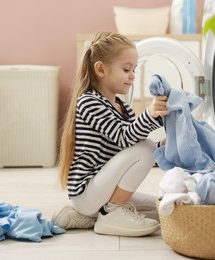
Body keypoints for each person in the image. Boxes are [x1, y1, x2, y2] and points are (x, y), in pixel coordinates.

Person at [52, 32, 168, 237]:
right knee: (146, 148)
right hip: (87, 192)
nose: (132, 75)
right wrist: (150, 115)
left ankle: (88, 216)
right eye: (126, 69)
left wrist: (163, 147)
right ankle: (110, 213)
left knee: (161, 209)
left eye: (134, 69)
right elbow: (126, 138)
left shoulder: (122, 106)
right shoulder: (89, 102)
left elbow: (133, 147)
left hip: (103, 189)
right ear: (100, 69)